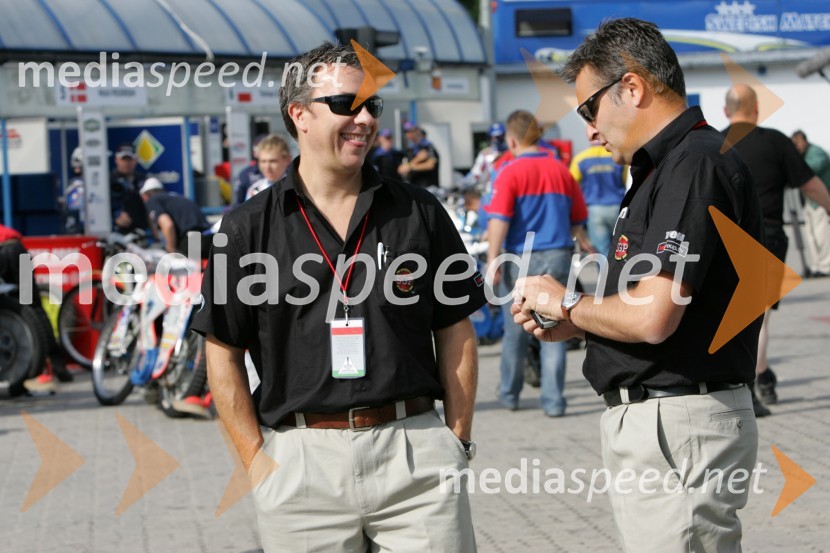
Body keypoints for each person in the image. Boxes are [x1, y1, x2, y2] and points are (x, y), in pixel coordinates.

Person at [191, 41, 485, 552]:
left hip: (415, 454)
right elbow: (222, 350)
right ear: (299, 115)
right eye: (348, 104)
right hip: (301, 465)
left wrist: (454, 441)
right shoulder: (245, 230)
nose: (366, 119)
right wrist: (256, 461)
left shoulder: (419, 212)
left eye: (374, 105)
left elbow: (455, 328)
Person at [512, 18, 762, 551]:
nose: (590, 130)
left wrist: (569, 303)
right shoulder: (667, 167)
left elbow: (652, 316)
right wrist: (581, 325)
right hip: (669, 422)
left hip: (679, 422)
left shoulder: (693, 163)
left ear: (632, 87)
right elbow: (654, 308)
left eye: (589, 110)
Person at [723, 85, 830, 414]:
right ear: (756, 110)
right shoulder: (775, 141)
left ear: (727, 112)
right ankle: (754, 384)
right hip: (766, 237)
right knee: (759, 317)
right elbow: (809, 184)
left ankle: (760, 375)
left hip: (722, 240)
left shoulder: (713, 143)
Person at [485, 109, 591, 417]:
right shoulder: (560, 170)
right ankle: (554, 401)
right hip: (558, 253)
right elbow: (577, 219)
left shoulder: (510, 171)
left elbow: (499, 221)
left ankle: (509, 394)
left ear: (512, 139)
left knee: (515, 329)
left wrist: (493, 259)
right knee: (554, 327)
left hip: (522, 257)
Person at [569, 141, 626, 256]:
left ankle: (604, 274)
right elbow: (626, 182)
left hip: (594, 210)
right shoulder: (618, 158)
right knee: (620, 250)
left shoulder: (580, 158)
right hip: (617, 208)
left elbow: (571, 186)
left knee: (601, 252)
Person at [792, 130, 830, 277]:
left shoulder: (816, 153)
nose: (797, 146)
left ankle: (826, 266)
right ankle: (816, 265)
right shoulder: (804, 155)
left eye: (798, 143)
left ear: (804, 140)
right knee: (811, 234)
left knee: (822, 234)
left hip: (821, 199)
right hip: (810, 201)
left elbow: (814, 167)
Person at [139, 178, 211, 256]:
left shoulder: (153, 200)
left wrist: (171, 250)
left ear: (144, 196)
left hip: (191, 241)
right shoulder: (176, 197)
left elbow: (167, 225)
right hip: (208, 238)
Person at [110, 144, 149, 234]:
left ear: (136, 160)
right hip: (117, 232)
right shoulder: (108, 181)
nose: (127, 163)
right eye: (124, 159)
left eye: (130, 159)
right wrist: (116, 216)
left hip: (142, 231)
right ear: (116, 160)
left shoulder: (143, 180)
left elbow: (151, 205)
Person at [243, 134, 293, 201]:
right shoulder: (254, 191)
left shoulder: (297, 188)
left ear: (288, 159)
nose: (267, 167)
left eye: (273, 161)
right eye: (263, 161)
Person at [461, 122, 508, 193]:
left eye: (499, 137)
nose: (496, 140)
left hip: (507, 189)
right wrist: (462, 183)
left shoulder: (511, 153)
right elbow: (475, 174)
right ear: (490, 138)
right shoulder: (485, 154)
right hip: (490, 192)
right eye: (494, 137)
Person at [399, 122, 440, 188]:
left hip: (428, 187)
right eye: (406, 132)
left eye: (411, 131)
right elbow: (401, 169)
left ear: (417, 131)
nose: (409, 134)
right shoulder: (410, 149)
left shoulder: (427, 146)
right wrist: (417, 160)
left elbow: (431, 165)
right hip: (414, 186)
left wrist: (410, 167)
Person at [233, 134, 266, 207]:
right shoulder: (246, 174)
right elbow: (239, 202)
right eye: (261, 148)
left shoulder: (288, 172)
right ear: (254, 152)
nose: (268, 166)